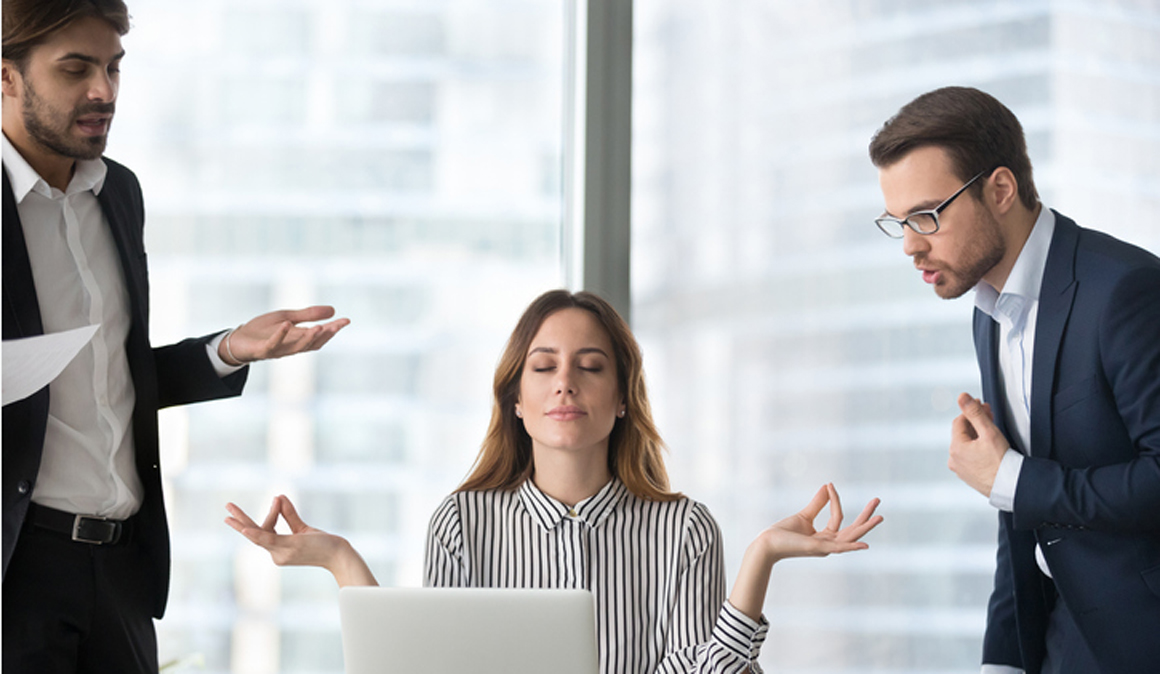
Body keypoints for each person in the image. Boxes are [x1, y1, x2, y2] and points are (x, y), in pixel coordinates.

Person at [227, 289, 883, 673]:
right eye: (543, 367)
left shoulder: (684, 528)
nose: (565, 382)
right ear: (516, 397)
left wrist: (760, 558)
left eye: (589, 366)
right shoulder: (463, 522)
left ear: (622, 396)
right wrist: (340, 559)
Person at [1, 1, 349, 672]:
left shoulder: (118, 194)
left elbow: (106, 375)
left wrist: (226, 352)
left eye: (112, 68)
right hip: (17, 571)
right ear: (6, 77)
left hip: (124, 570)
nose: (103, 91)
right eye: (75, 69)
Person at [868, 86, 1160, 674]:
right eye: (898, 222)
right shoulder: (989, 310)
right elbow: (1019, 517)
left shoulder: (1125, 290)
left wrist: (1014, 481)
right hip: (1060, 640)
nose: (910, 245)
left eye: (926, 216)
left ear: (1000, 190)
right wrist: (1001, 660)